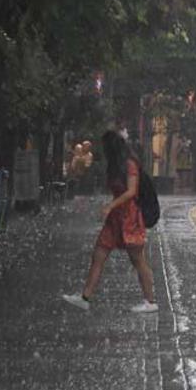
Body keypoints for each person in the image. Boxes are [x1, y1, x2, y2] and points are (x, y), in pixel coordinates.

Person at [63, 130, 157, 313]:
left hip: (130, 218)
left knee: (138, 259)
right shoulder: (116, 165)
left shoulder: (129, 164)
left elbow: (131, 191)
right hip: (116, 218)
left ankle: (150, 301)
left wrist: (110, 206)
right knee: (99, 253)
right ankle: (85, 297)